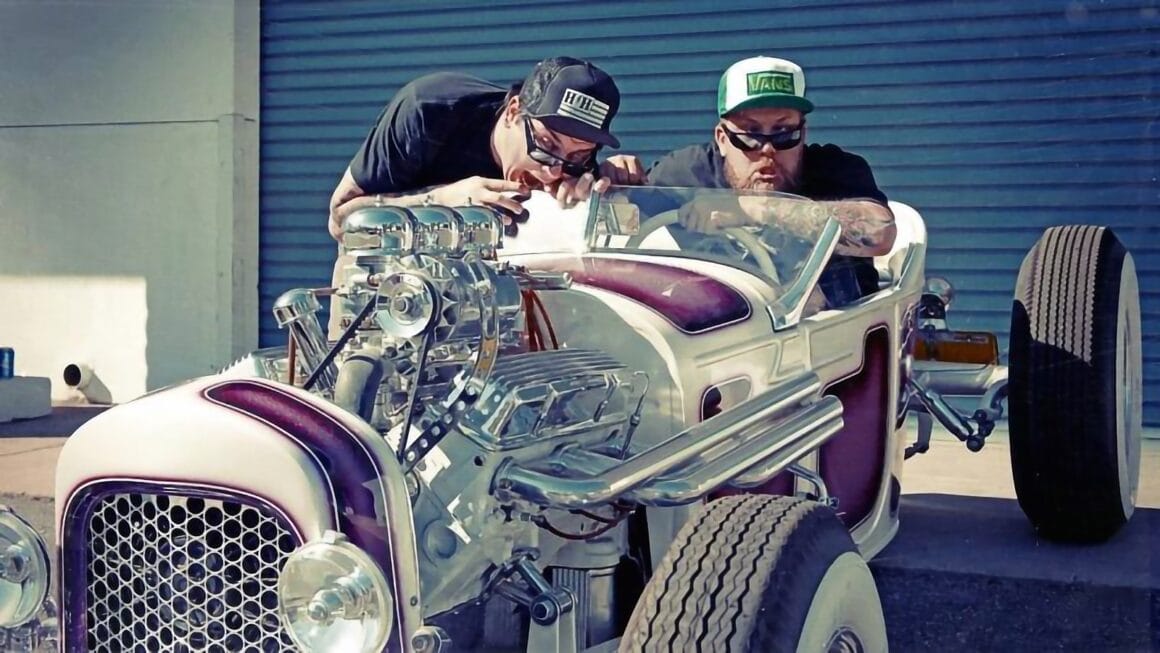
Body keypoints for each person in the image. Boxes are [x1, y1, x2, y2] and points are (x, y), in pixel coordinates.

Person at [647, 56, 896, 305]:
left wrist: (751, 209)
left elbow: (880, 234)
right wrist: (623, 171)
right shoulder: (688, 173)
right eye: (749, 135)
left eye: (784, 133)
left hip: (833, 325)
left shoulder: (836, 171)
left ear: (803, 134)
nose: (767, 149)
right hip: (717, 320)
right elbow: (629, 213)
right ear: (722, 139)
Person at [327, 56, 646, 241]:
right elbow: (340, 220)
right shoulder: (429, 111)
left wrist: (612, 189)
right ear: (513, 112)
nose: (553, 171)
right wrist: (440, 201)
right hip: (383, 291)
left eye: (578, 155)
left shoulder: (573, 166)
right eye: (546, 144)